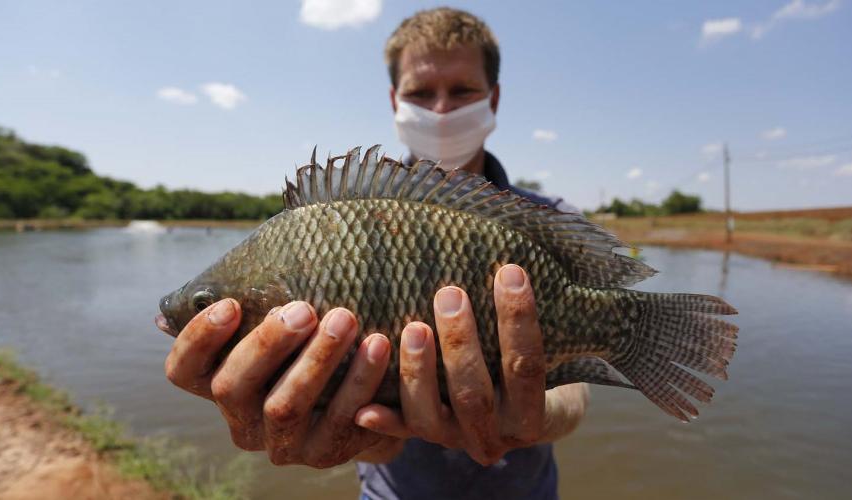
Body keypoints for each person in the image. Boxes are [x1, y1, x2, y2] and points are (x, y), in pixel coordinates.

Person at [163, 7, 587, 499]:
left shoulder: (550, 220)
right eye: (421, 93)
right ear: (394, 100)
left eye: (463, 91)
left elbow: (576, 391)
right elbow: (368, 421)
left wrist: (536, 411)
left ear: (493, 97)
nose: (442, 109)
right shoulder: (338, 218)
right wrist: (357, 434)